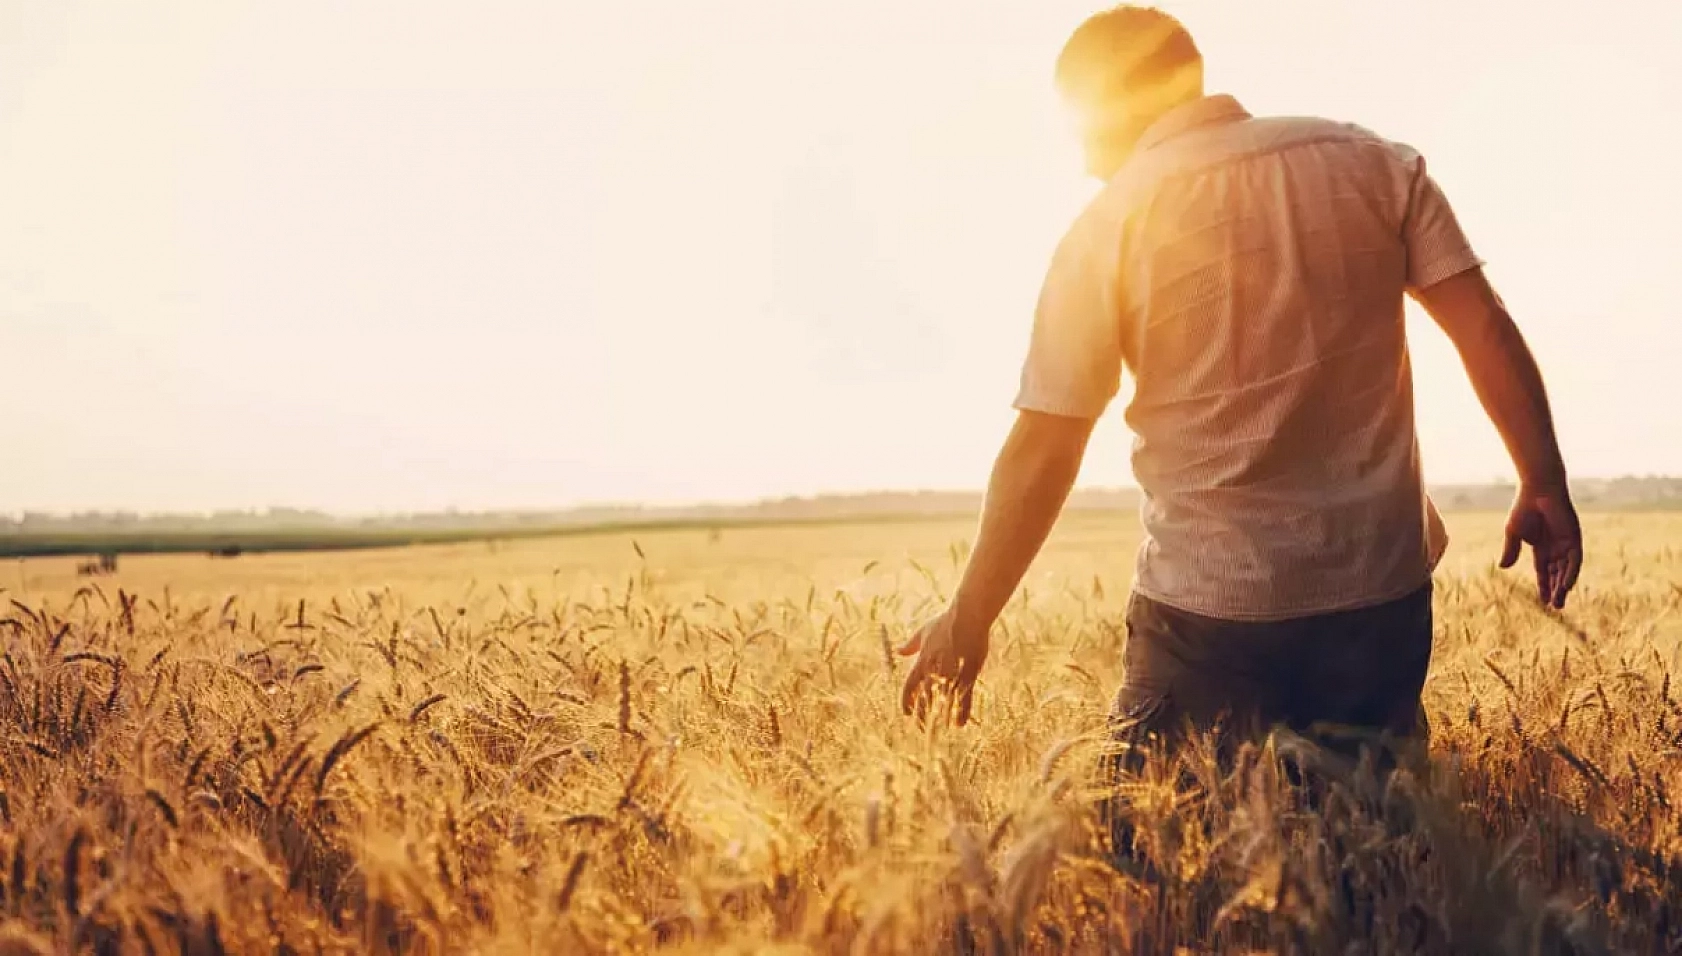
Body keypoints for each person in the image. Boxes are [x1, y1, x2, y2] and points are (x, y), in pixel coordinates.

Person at [897, 6, 1583, 767]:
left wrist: (969, 617)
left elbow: (1047, 441)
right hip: (1378, 598)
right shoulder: (1372, 163)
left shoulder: (1105, 226)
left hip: (1206, 610)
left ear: (1098, 111)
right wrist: (1542, 477)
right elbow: (1481, 325)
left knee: (1150, 850)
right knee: (1375, 841)